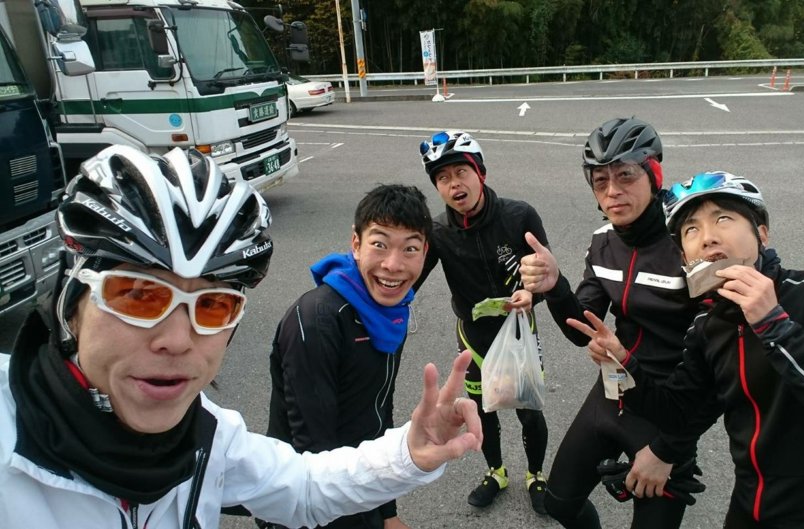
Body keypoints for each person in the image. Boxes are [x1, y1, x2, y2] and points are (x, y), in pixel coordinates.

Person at [0, 145, 482, 529]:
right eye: (139, 297)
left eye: (212, 306)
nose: (177, 340)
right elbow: (311, 445)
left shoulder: (210, 435)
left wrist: (409, 453)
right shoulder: (7, 433)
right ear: (71, 301)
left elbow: (303, 486)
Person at [567, 171, 804, 528]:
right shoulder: (709, 326)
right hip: (751, 504)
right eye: (691, 229)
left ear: (762, 233)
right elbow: (678, 414)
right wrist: (624, 362)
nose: (707, 237)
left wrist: (774, 325)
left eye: (723, 218)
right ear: (685, 258)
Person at [519, 117, 713, 529]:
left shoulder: (689, 243)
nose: (612, 191)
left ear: (654, 174)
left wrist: (668, 449)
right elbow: (580, 330)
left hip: (670, 408)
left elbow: (720, 364)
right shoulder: (603, 241)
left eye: (625, 176)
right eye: (600, 181)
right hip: (614, 390)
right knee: (559, 504)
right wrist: (555, 285)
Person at [260, 184, 433, 529]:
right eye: (379, 244)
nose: (393, 265)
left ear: (425, 252)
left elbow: (379, 412)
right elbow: (313, 449)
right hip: (307, 502)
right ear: (356, 243)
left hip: (361, 484)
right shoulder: (317, 320)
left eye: (410, 248)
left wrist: (387, 512)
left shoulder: (390, 314)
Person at [414, 130, 551, 513]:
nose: (454, 184)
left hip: (519, 331)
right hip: (473, 337)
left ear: (481, 173)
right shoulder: (438, 232)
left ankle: (536, 475)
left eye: (461, 172)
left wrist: (533, 293)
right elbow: (410, 280)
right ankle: (496, 472)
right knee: (482, 409)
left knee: (529, 411)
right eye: (443, 178)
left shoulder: (519, 216)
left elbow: (546, 274)